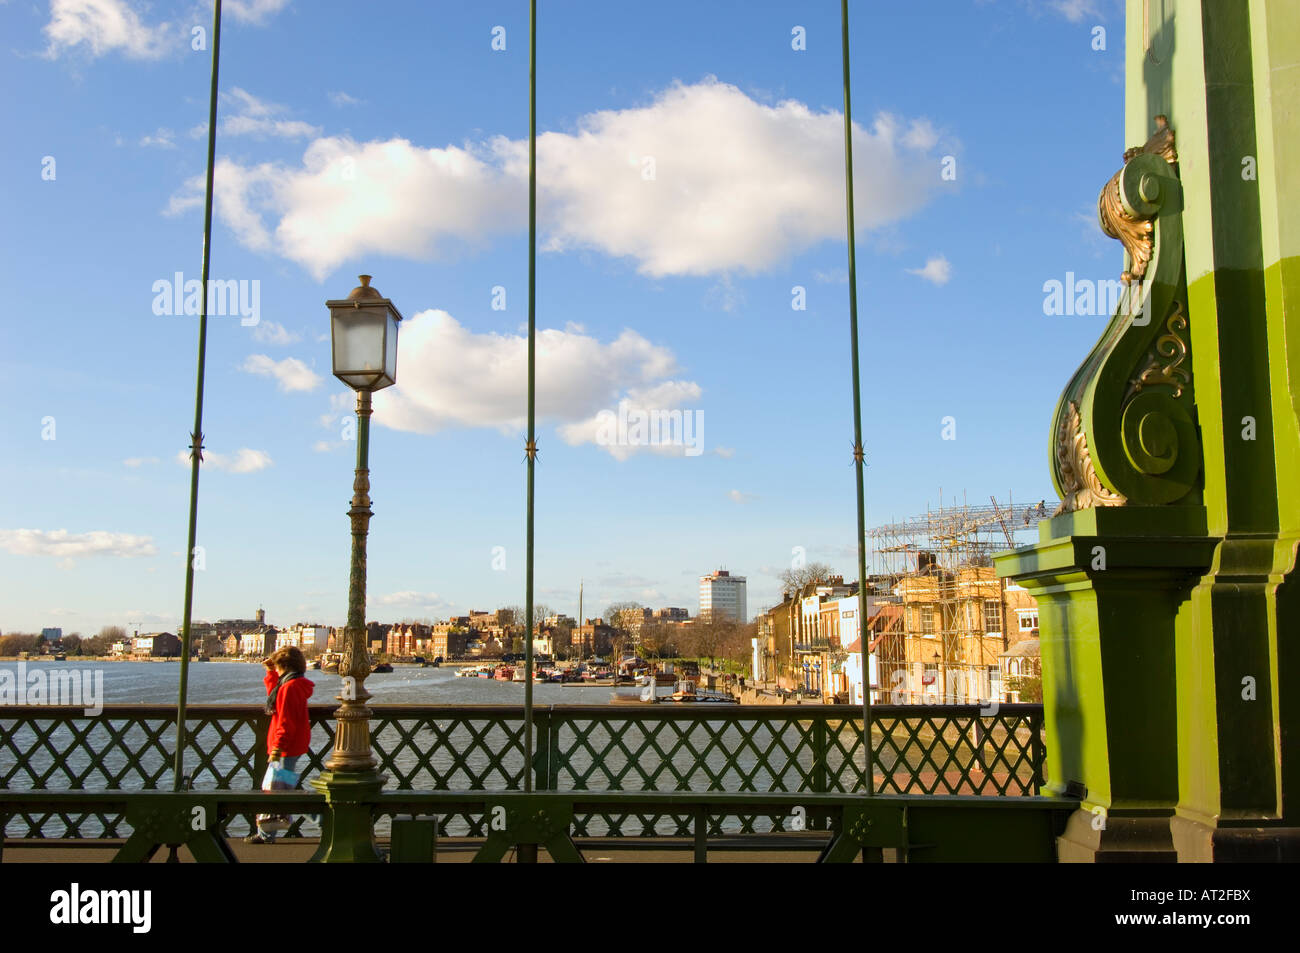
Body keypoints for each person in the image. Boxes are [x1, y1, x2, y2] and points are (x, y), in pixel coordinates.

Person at [246, 646, 314, 844]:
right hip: (292, 744)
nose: (274, 669)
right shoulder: (292, 684)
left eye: (276, 666)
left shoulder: (289, 688)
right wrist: (269, 673)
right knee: (281, 787)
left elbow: (285, 719)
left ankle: (267, 834)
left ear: (283, 666)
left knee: (275, 789)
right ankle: (268, 833)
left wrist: (277, 748)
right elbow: (275, 696)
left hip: (285, 747)